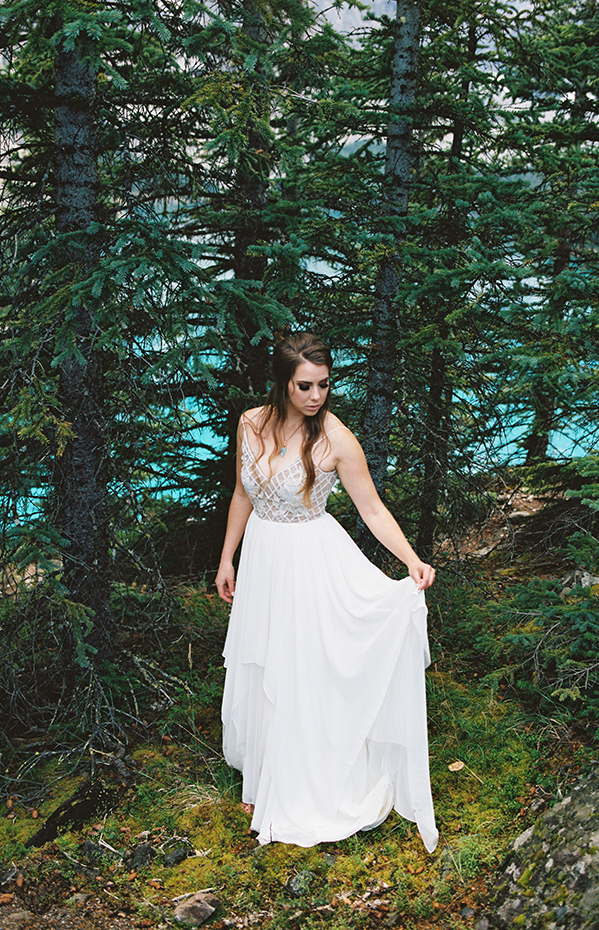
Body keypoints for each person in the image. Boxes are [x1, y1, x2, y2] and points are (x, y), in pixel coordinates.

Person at [215, 333, 438, 852]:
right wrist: (228, 558)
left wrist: (411, 560)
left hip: (310, 560)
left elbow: (373, 509)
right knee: (264, 661)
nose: (316, 396)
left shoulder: (337, 439)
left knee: (301, 668)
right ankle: (263, 774)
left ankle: (300, 782)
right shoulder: (251, 422)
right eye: (305, 386)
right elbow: (243, 492)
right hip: (265, 558)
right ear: (283, 383)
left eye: (324, 386)